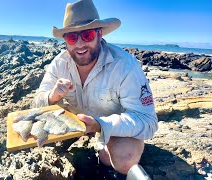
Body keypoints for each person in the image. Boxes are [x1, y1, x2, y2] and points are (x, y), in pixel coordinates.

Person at [34, 0, 158, 177]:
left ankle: (107, 169)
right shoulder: (59, 64)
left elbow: (148, 121)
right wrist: (52, 96)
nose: (79, 44)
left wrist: (101, 125)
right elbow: (37, 102)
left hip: (113, 129)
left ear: (100, 34)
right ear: (65, 41)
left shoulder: (125, 66)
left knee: (125, 158)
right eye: (71, 37)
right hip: (72, 128)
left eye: (87, 35)